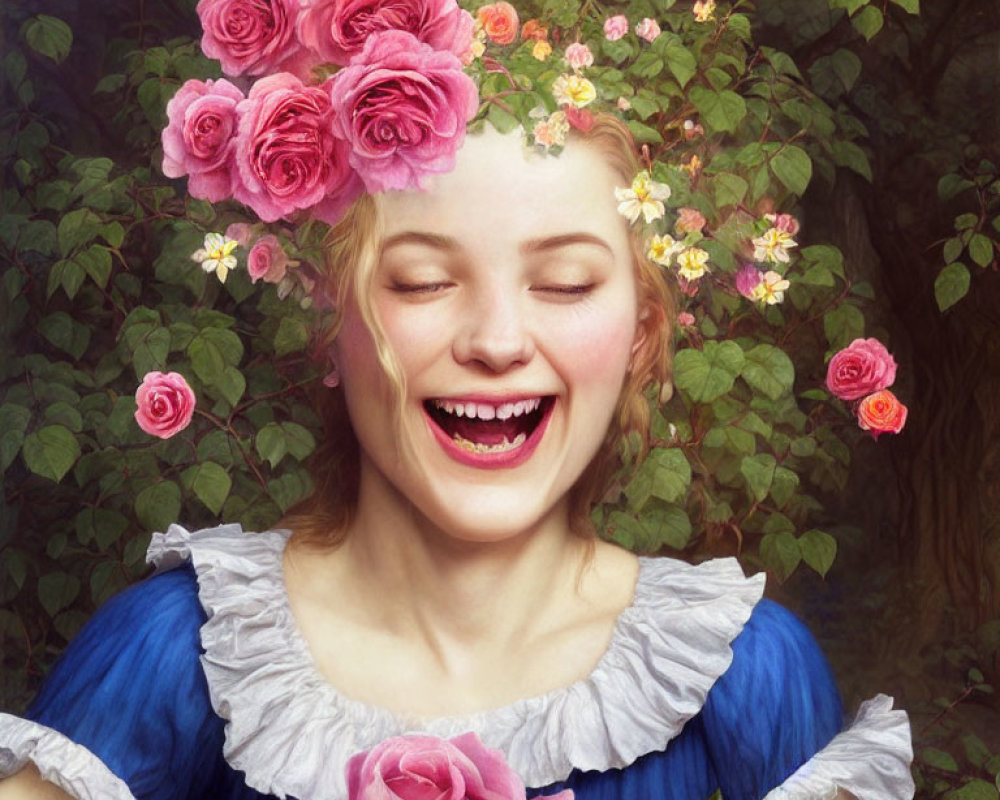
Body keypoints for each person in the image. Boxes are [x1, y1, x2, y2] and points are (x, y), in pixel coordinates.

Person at [0, 4, 914, 798]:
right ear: (333, 326)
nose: (495, 341)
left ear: (641, 335)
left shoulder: (738, 666)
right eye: (423, 282)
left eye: (562, 284)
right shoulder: (184, 648)